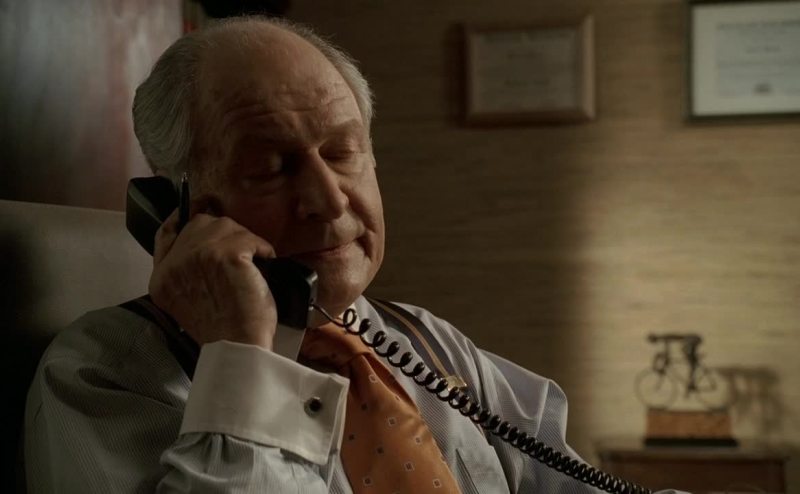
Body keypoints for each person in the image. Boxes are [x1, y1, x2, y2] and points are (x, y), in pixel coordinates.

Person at [24, 16, 683, 494]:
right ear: (181, 205)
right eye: (271, 166)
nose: (329, 198)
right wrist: (243, 359)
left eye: (342, 153)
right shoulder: (103, 375)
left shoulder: (426, 343)